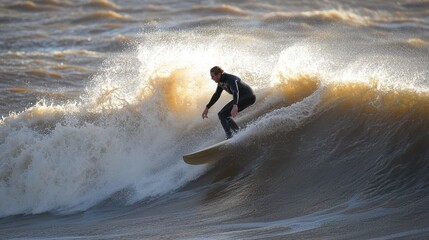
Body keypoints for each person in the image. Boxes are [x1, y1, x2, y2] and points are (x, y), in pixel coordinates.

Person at [202, 66, 256, 139]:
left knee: (221, 114)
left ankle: (229, 136)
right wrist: (207, 107)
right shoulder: (220, 82)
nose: (212, 78)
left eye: (213, 76)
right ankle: (237, 132)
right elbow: (217, 95)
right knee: (224, 115)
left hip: (248, 96)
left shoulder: (230, 79)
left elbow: (235, 91)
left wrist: (235, 105)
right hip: (242, 97)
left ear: (219, 74)